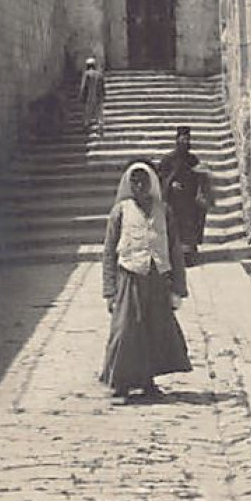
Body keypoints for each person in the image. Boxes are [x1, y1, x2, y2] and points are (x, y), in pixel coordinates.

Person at [101, 161, 191, 405]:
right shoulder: (120, 211)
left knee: (154, 330)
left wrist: (178, 288)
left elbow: (174, 249)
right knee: (125, 330)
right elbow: (109, 252)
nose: (139, 186)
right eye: (135, 181)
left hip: (156, 279)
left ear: (151, 183)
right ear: (129, 184)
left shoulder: (164, 210)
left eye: (144, 181)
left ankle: (148, 381)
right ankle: (120, 385)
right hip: (129, 278)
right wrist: (109, 290)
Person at [159, 127, 214, 266]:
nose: (185, 142)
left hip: (189, 201)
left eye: (187, 139)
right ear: (177, 140)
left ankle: (189, 256)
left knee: (189, 229)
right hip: (174, 201)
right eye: (182, 139)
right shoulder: (168, 159)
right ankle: (175, 256)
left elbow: (199, 176)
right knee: (175, 228)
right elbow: (161, 177)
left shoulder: (192, 159)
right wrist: (170, 184)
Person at [79, 57, 105, 136]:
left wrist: (82, 96)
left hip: (89, 97)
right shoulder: (99, 74)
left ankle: (86, 126)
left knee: (88, 112)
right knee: (99, 113)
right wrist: (103, 96)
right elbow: (102, 87)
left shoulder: (86, 74)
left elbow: (84, 87)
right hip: (98, 96)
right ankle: (100, 126)